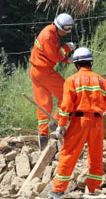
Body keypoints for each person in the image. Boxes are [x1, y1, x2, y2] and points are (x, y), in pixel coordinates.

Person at [48, 47, 106, 199]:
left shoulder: (72, 80)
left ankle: (58, 191)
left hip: (78, 122)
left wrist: (61, 124)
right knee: (95, 156)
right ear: (91, 62)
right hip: (97, 122)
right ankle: (94, 190)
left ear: (76, 64)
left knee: (68, 154)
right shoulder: (102, 81)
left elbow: (66, 105)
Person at [29, 13, 75, 149]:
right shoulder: (49, 36)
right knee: (68, 93)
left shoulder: (51, 31)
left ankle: (43, 136)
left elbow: (51, 54)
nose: (65, 33)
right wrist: (67, 48)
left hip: (36, 71)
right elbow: (55, 57)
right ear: (59, 26)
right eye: (65, 30)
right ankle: (56, 122)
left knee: (44, 105)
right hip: (44, 72)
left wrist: (67, 60)